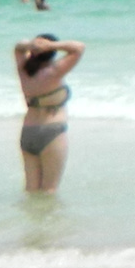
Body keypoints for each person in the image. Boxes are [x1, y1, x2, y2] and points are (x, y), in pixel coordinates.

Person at [15, 33, 85, 194]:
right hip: (51, 131)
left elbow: (18, 47)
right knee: (49, 190)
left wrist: (32, 44)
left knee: (31, 189)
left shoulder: (24, 69)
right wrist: (52, 45)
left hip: (28, 131)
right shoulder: (54, 71)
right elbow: (79, 47)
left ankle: (29, 212)